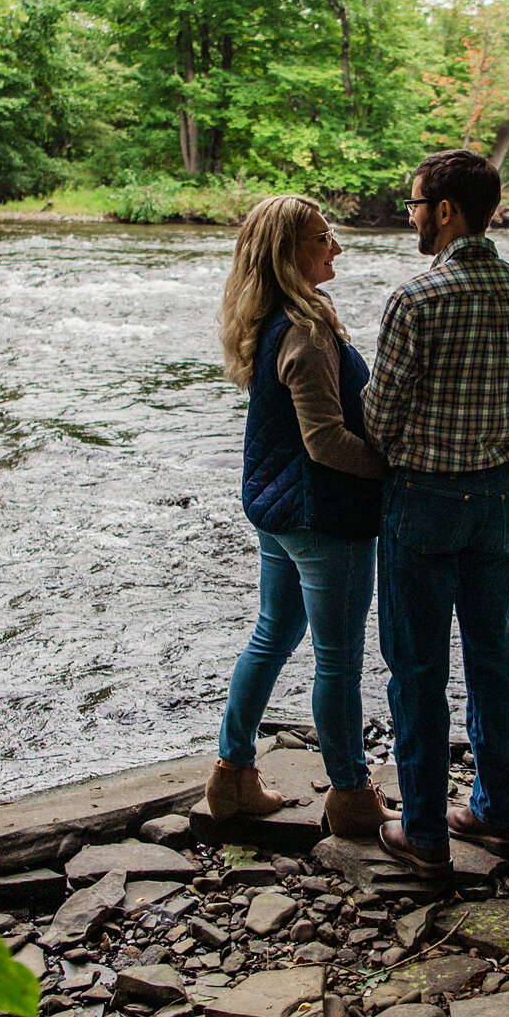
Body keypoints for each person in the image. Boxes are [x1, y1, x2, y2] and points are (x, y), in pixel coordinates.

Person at [364, 149, 509, 876]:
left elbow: (380, 420)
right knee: (494, 663)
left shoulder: (416, 299)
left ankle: (423, 831)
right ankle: (501, 816)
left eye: (415, 204)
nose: (411, 216)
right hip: (497, 496)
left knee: (416, 668)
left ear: (445, 209)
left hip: (424, 498)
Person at [209, 194, 396, 838]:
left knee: (271, 636)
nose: (336, 246)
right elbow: (325, 441)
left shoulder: (268, 321)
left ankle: (231, 776)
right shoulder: (307, 332)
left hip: (276, 510)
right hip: (323, 519)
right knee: (337, 660)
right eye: (323, 238)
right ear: (289, 253)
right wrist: (399, 472)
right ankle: (350, 795)